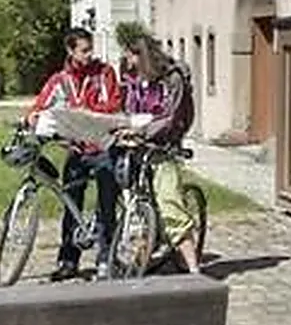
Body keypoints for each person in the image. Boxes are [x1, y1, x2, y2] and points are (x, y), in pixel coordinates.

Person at [25, 27, 123, 281]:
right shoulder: (60, 81)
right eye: (84, 50)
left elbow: (113, 105)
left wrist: (87, 117)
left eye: (91, 49)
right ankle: (68, 261)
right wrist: (32, 119)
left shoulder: (104, 74)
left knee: (107, 205)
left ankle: (106, 258)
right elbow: (40, 105)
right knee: (71, 204)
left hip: (102, 147)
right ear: (70, 51)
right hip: (76, 151)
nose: (90, 55)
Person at [114, 33, 202, 274]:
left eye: (129, 56)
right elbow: (126, 109)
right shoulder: (132, 80)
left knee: (170, 205)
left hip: (163, 148)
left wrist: (144, 133)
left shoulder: (171, 79)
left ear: (140, 55)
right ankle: (143, 259)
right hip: (137, 149)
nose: (126, 61)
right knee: (137, 207)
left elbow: (170, 117)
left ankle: (194, 269)